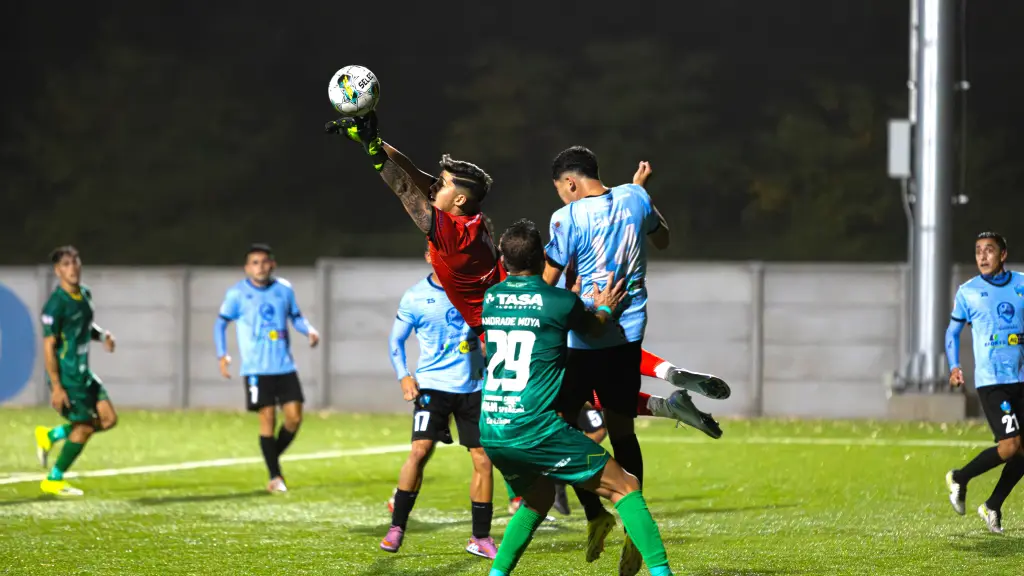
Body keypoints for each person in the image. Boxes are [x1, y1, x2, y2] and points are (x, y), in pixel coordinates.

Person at [480, 219, 676, 576]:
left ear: (503, 262)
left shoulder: (491, 299)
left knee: (537, 500)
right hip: (535, 427)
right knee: (627, 486)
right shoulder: (559, 301)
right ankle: (664, 574)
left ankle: (496, 574)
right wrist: (603, 306)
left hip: (493, 427)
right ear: (543, 256)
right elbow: (594, 326)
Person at [381, 248, 498, 559]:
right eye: (439, 254)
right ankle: (397, 527)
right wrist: (404, 376)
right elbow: (395, 341)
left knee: (483, 459)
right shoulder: (415, 297)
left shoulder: (478, 290)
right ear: (428, 257)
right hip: (432, 386)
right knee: (419, 451)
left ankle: (480, 537)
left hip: (474, 387)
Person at [214, 244, 319, 493]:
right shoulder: (237, 294)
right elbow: (220, 324)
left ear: (272, 264)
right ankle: (275, 476)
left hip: (284, 366)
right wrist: (223, 355)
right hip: (256, 369)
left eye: (264, 262)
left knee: (294, 418)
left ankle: (270, 455)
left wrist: (309, 330)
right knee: (268, 419)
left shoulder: (283, 289)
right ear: (247, 267)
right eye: (254, 262)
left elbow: (295, 316)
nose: (259, 266)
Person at [944, 232, 1024, 534]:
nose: (982, 256)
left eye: (989, 250)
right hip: (992, 381)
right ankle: (960, 478)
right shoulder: (968, 292)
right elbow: (952, 333)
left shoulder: (1021, 285)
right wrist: (954, 366)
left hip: (1021, 377)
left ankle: (992, 506)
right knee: (1009, 446)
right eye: (978, 251)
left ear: (1003, 254)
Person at [34, 246, 118, 496]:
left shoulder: (85, 294)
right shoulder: (55, 305)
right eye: (66, 264)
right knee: (84, 427)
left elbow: (84, 326)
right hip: (68, 378)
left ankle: (51, 434)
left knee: (109, 419)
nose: (73, 268)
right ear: (57, 271)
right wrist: (56, 386)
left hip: (84, 374)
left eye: (75, 262)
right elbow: (49, 346)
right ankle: (54, 478)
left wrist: (102, 335)